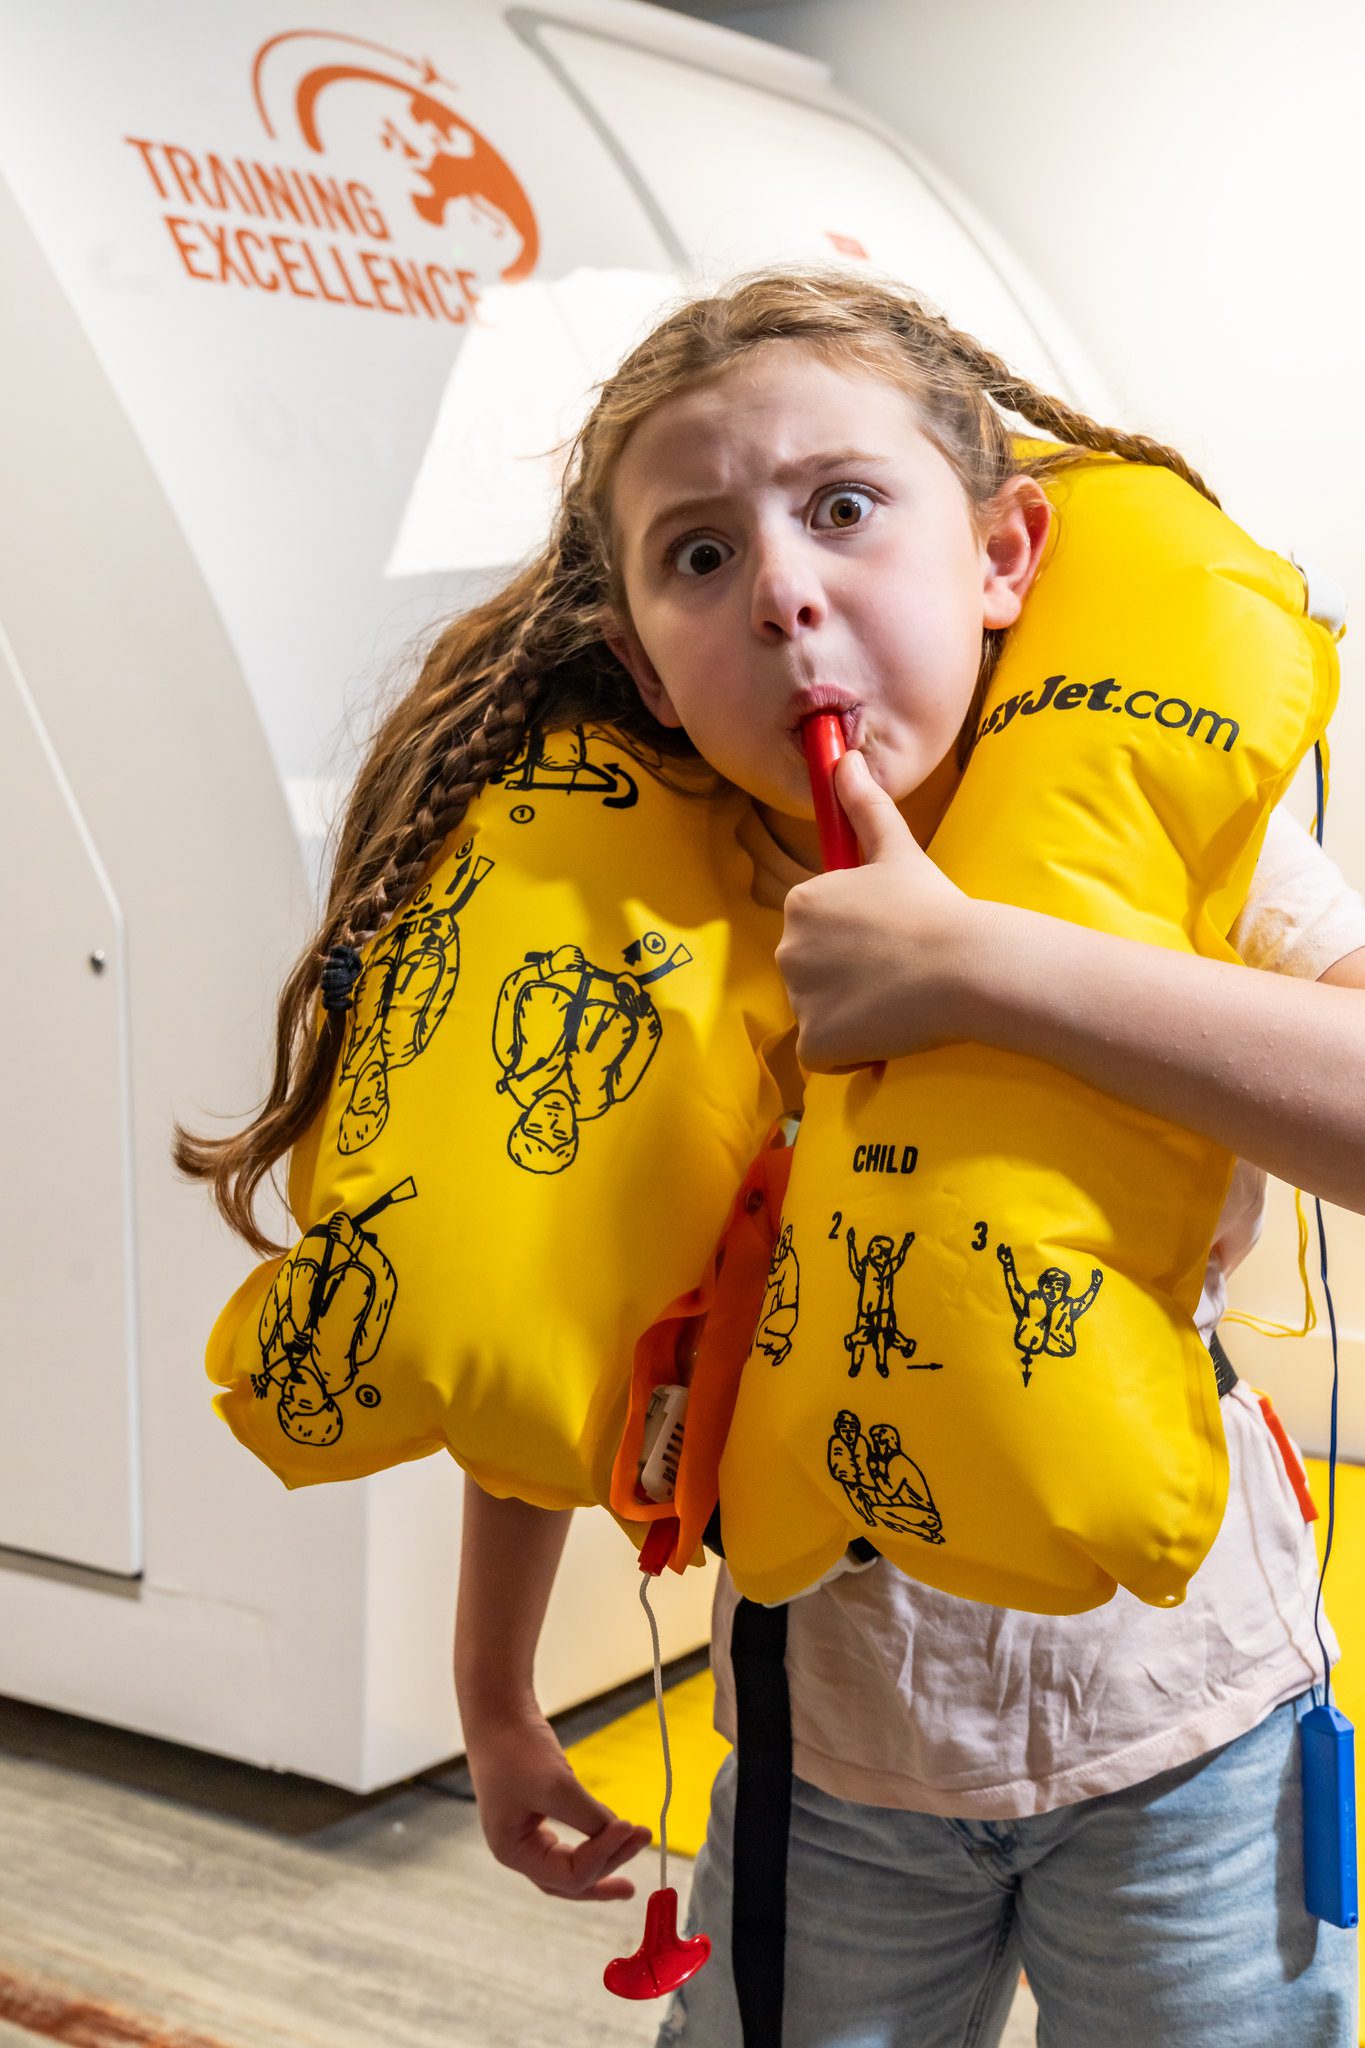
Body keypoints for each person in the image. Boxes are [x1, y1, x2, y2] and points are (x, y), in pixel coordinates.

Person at [175, 270, 1365, 2045]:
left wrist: (985, 966)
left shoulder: (1178, 841)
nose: (784, 587)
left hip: (1187, 1731)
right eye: (699, 556)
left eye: (842, 510)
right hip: (831, 1757)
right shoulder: (637, 923)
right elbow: (557, 1304)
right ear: (647, 664)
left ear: (1003, 556)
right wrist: (493, 1699)